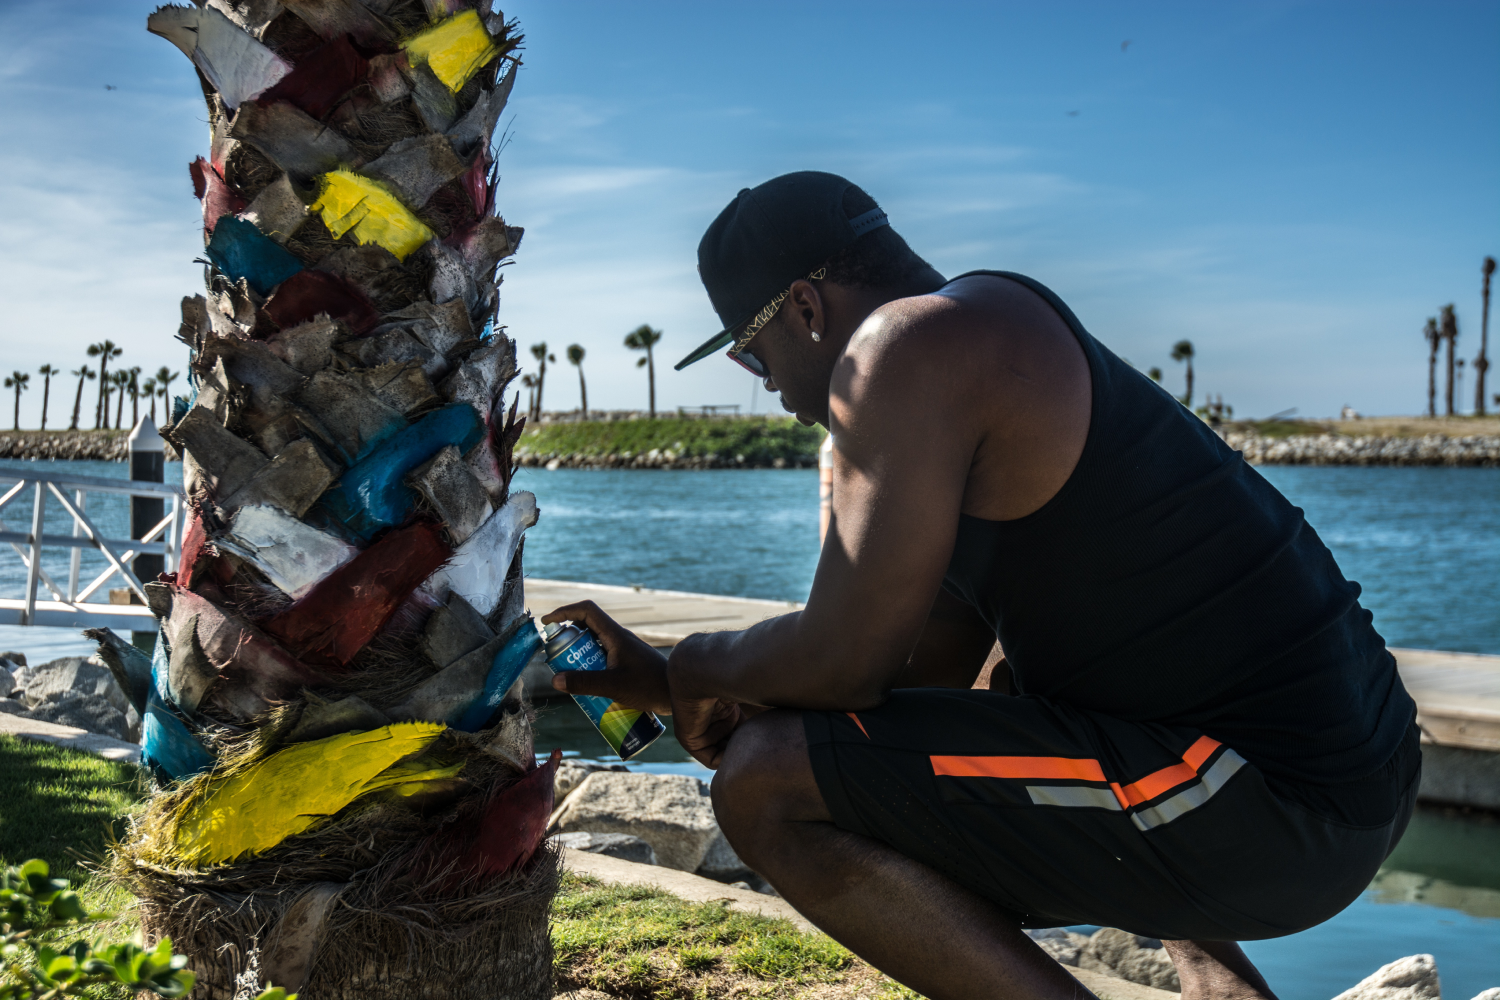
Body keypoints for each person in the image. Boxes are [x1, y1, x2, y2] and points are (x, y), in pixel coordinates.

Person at [543, 171, 1418, 1000]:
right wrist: (673, 680)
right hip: (1344, 781)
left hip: (1276, 805)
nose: (768, 388)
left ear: (805, 308)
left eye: (750, 354)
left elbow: (842, 663)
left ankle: (1201, 962)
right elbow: (912, 679)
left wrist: (694, 667)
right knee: (994, 684)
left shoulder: (907, 346)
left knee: (765, 783)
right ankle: (1215, 969)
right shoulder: (984, 330)